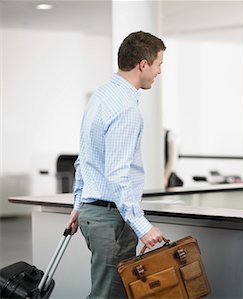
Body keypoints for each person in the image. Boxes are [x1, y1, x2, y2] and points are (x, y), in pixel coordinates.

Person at [65, 31, 166, 299]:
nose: (158, 72)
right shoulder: (126, 110)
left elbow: (84, 158)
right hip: (111, 220)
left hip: (94, 213)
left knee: (105, 293)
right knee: (110, 296)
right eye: (158, 64)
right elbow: (117, 176)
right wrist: (142, 226)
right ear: (143, 64)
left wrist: (79, 204)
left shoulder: (100, 97)